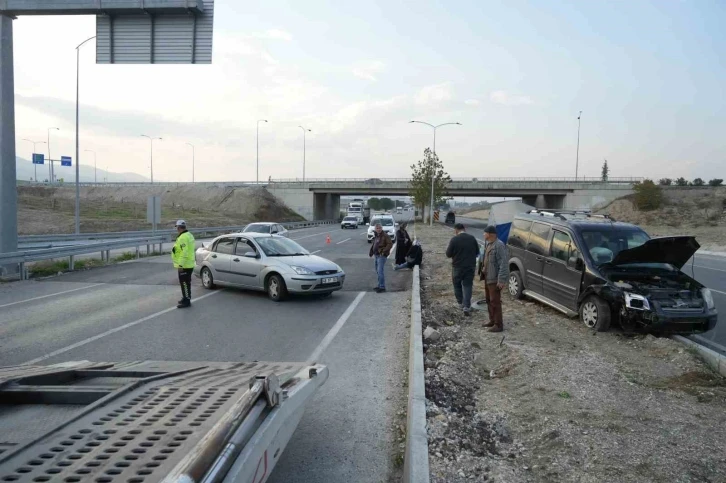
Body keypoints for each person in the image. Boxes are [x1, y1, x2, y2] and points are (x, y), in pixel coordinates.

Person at [446, 223, 480, 316]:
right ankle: (467, 306)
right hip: (470, 267)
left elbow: (448, 254)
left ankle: (460, 303)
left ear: (456, 230)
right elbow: (477, 252)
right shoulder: (472, 238)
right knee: (467, 286)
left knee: (457, 284)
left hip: (457, 267)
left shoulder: (454, 239)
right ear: (464, 229)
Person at [479, 225, 509, 332]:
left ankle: (498, 325)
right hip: (488, 277)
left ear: (490, 234)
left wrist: (501, 280)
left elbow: (504, 264)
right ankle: (492, 320)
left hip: (495, 279)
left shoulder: (499, 245)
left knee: (495, 301)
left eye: (484, 233)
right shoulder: (489, 244)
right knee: (488, 300)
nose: (483, 234)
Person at [172, 220, 196, 308]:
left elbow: (184, 252)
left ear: (178, 227)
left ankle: (186, 301)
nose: (177, 229)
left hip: (185, 265)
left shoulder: (183, 237)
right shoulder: (189, 235)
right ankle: (185, 297)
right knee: (186, 282)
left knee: (185, 283)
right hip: (189, 263)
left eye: (177, 227)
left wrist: (180, 265)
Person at [369, 223, 392, 293]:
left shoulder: (385, 235)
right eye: (377, 228)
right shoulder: (377, 235)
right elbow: (374, 244)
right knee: (378, 271)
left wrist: (383, 251)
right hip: (376, 255)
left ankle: (382, 287)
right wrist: (371, 252)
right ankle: (379, 285)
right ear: (375, 229)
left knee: (380, 271)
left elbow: (390, 244)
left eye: (379, 228)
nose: (378, 229)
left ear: (381, 228)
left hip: (381, 256)